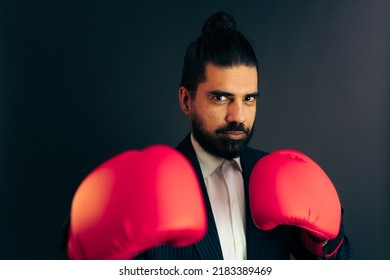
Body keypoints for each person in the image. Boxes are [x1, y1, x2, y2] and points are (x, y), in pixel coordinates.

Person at [65, 11, 353, 260]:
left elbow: (336, 264)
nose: (238, 115)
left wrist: (324, 237)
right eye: (220, 98)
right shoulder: (152, 185)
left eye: (249, 99)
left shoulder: (279, 179)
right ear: (186, 101)